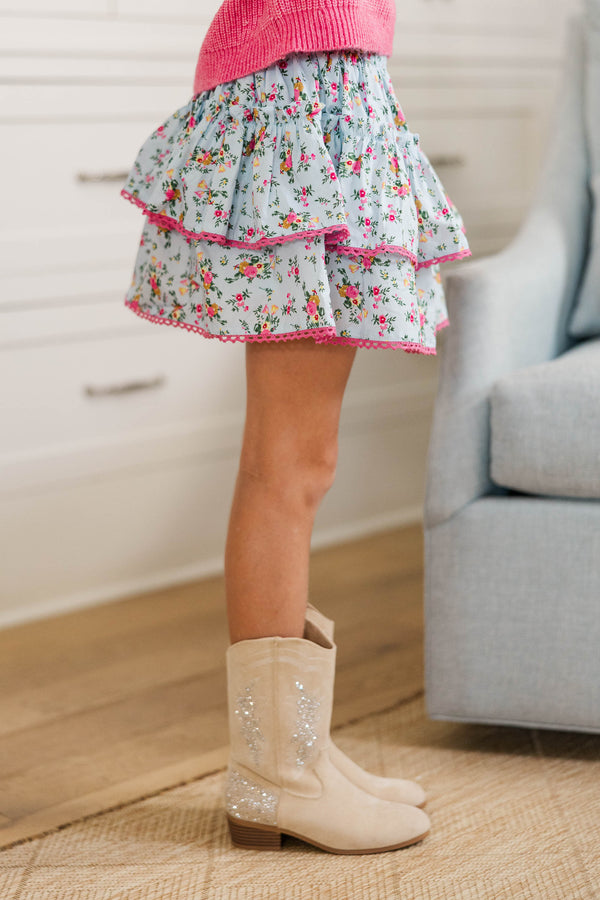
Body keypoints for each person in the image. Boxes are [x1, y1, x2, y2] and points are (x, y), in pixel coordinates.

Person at [120, 0, 472, 855]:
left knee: (297, 463)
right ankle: (276, 773)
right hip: (303, 105)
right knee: (288, 464)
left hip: (324, 96)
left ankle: (293, 752)